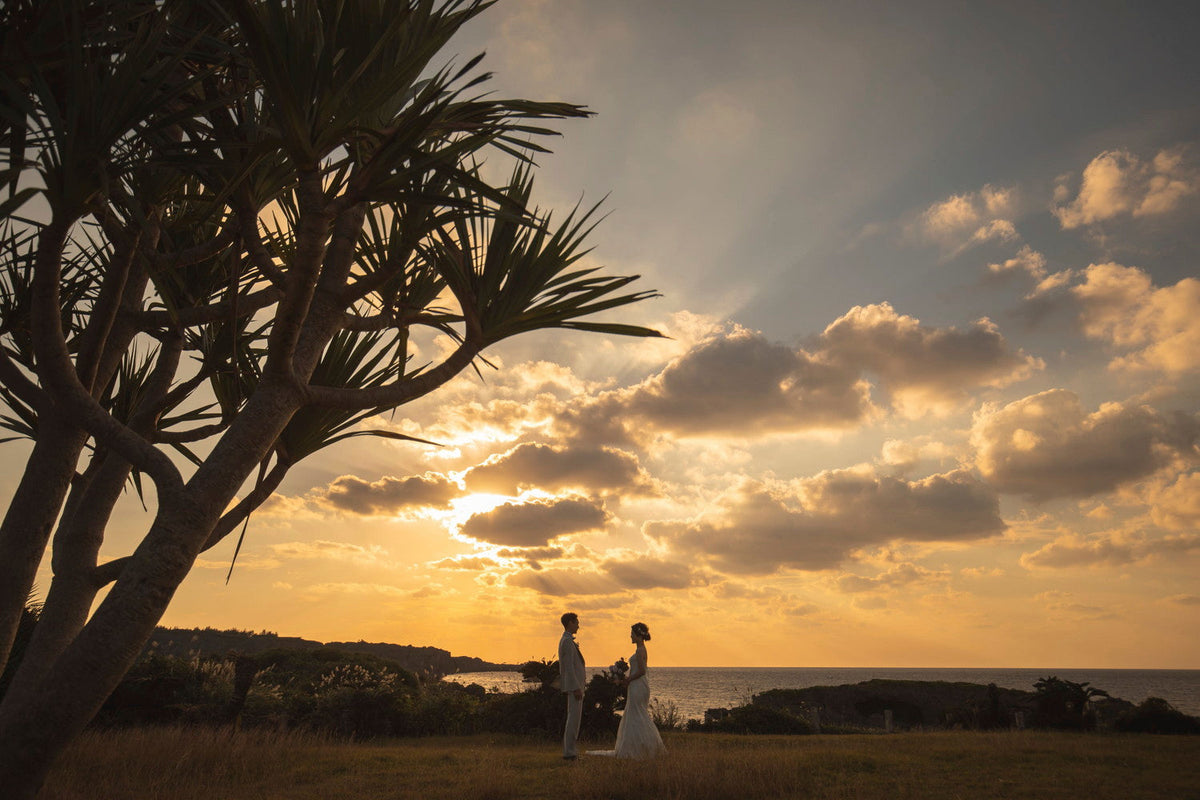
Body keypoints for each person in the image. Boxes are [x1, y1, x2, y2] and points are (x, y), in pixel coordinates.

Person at [590, 621, 665, 759]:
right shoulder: (641, 649)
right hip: (637, 685)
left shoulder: (640, 650)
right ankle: (640, 747)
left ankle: (640, 748)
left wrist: (627, 680)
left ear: (638, 635)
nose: (630, 636)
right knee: (636, 714)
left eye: (632, 634)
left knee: (636, 714)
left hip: (638, 685)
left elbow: (642, 671)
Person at [558, 612, 586, 760]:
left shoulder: (567, 640)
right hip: (574, 687)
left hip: (576, 686)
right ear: (570, 623)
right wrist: (575, 687)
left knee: (574, 719)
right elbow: (568, 667)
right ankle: (569, 752)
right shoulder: (567, 642)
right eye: (576, 622)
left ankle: (571, 750)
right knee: (573, 719)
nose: (578, 626)